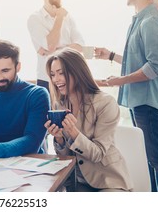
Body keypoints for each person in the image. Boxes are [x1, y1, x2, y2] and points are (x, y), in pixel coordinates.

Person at [95, 0, 158, 192]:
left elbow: (156, 66)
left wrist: (119, 81)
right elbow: (139, 61)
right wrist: (110, 56)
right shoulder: (141, 20)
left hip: (149, 104)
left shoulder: (151, 22)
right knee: (150, 159)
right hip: (142, 103)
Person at [45, 48, 133, 192]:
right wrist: (59, 139)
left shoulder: (105, 103)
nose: (56, 80)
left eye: (61, 73)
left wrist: (73, 132)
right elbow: (66, 158)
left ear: (77, 72)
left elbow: (97, 153)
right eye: (53, 75)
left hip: (108, 181)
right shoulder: (60, 105)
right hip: (77, 183)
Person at [27, 0, 84, 91]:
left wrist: (56, 50)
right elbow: (51, 46)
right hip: (47, 80)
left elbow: (80, 47)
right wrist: (60, 18)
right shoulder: (35, 19)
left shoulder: (68, 17)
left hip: (70, 77)